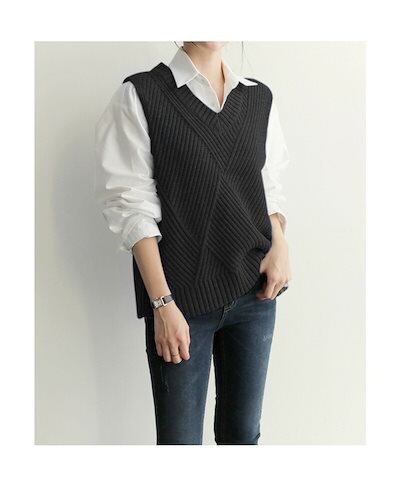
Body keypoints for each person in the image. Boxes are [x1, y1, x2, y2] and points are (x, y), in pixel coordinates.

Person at [94, 42, 291, 445]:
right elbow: (131, 208)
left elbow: (267, 189)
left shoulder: (259, 98)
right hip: (179, 303)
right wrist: (162, 304)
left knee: (243, 437)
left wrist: (281, 247)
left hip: (254, 296)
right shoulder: (140, 95)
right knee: (179, 444)